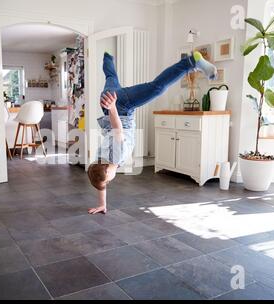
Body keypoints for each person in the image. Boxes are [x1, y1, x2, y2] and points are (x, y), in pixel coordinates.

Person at [87, 51, 217, 214]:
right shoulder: (100, 162)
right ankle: (107, 56)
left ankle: (191, 62)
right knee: (110, 77)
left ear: (107, 169)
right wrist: (102, 205)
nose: (108, 182)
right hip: (106, 101)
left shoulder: (116, 156)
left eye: (107, 181)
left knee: (157, 88)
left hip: (120, 107)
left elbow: (118, 130)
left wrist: (113, 107)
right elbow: (101, 180)